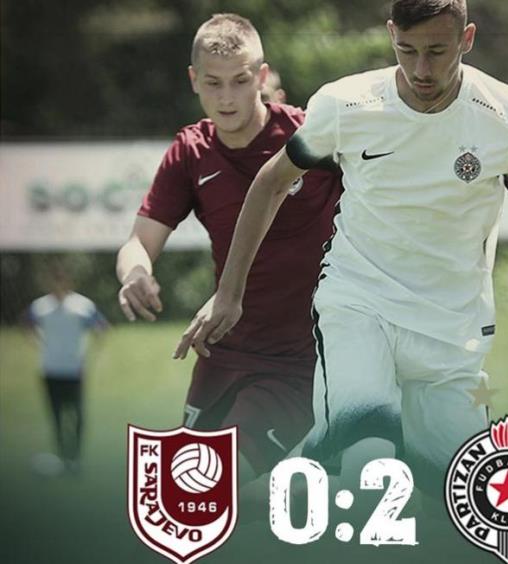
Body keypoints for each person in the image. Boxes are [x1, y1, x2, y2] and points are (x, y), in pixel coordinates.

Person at [174, 0, 508, 497]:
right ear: (390, 35)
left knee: (457, 495)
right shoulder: (347, 104)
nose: (421, 69)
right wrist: (230, 294)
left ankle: (273, 493)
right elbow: (270, 183)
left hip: (453, 329)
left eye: (437, 51)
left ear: (466, 39)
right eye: (406, 49)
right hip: (359, 306)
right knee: (369, 461)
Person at [116, 13, 341, 486]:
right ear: (193, 80)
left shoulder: (311, 138)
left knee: (218, 484)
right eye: (213, 83)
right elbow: (139, 241)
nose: (226, 98)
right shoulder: (190, 151)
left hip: (300, 361)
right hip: (221, 352)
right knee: (188, 497)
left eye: (240, 81)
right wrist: (136, 273)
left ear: (262, 76)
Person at [26, 260, 108, 474]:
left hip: (74, 369)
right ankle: (63, 457)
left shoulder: (82, 306)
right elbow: (27, 326)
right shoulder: (40, 306)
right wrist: (40, 343)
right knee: (56, 417)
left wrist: (89, 352)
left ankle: (76, 457)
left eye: (61, 280)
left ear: (68, 281)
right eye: (54, 280)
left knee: (77, 415)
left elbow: (101, 327)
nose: (58, 284)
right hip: (50, 369)